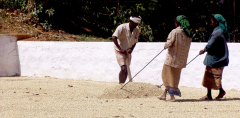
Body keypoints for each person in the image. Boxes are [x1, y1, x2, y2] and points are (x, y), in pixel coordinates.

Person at [158, 15, 192, 102]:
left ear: (177, 23)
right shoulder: (188, 33)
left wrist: (165, 46)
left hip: (172, 59)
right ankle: (164, 94)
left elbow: (169, 43)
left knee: (167, 76)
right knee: (174, 77)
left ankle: (172, 97)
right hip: (180, 60)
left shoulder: (175, 32)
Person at [199, 14, 229, 100]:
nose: (211, 23)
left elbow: (210, 44)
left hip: (215, 58)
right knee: (213, 76)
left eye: (212, 21)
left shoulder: (217, 32)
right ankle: (215, 93)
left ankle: (211, 94)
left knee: (212, 76)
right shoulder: (221, 31)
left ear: (216, 22)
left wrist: (204, 50)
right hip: (219, 57)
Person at [112, 15, 141, 84]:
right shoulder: (122, 27)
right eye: (135, 24)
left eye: (137, 24)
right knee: (123, 68)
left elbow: (135, 41)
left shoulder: (136, 29)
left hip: (128, 51)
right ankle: (120, 85)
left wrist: (131, 49)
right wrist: (120, 48)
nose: (136, 26)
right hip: (119, 50)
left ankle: (123, 84)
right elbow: (114, 37)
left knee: (127, 69)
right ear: (131, 22)